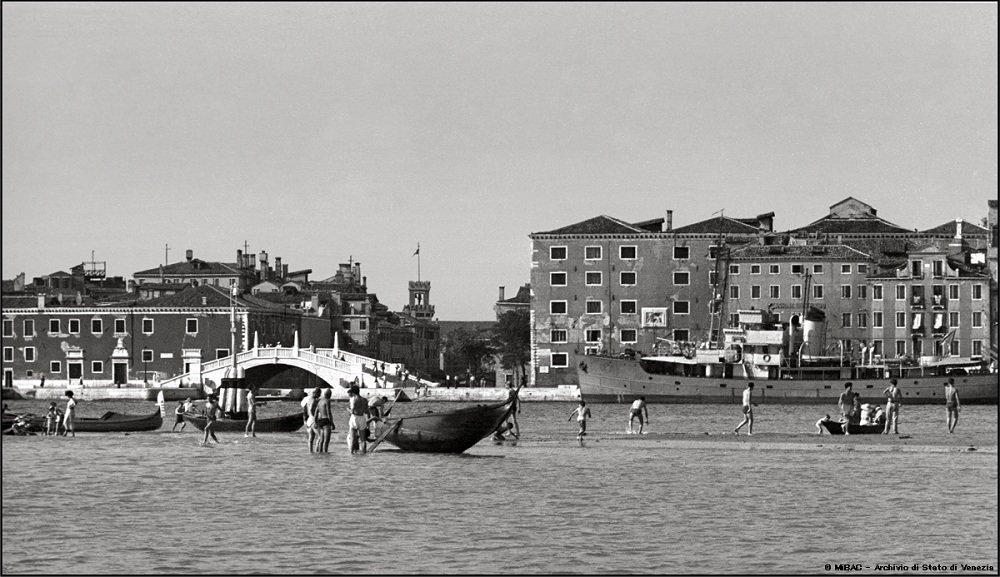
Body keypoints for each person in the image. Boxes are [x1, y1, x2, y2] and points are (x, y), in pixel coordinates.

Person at [347, 385, 371, 454]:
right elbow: (367, 411)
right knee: (363, 439)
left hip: (354, 417)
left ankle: (351, 453)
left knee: (352, 437)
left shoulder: (355, 400)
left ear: (353, 393)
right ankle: (363, 453)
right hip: (362, 417)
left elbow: (352, 411)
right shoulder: (364, 400)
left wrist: (348, 409)